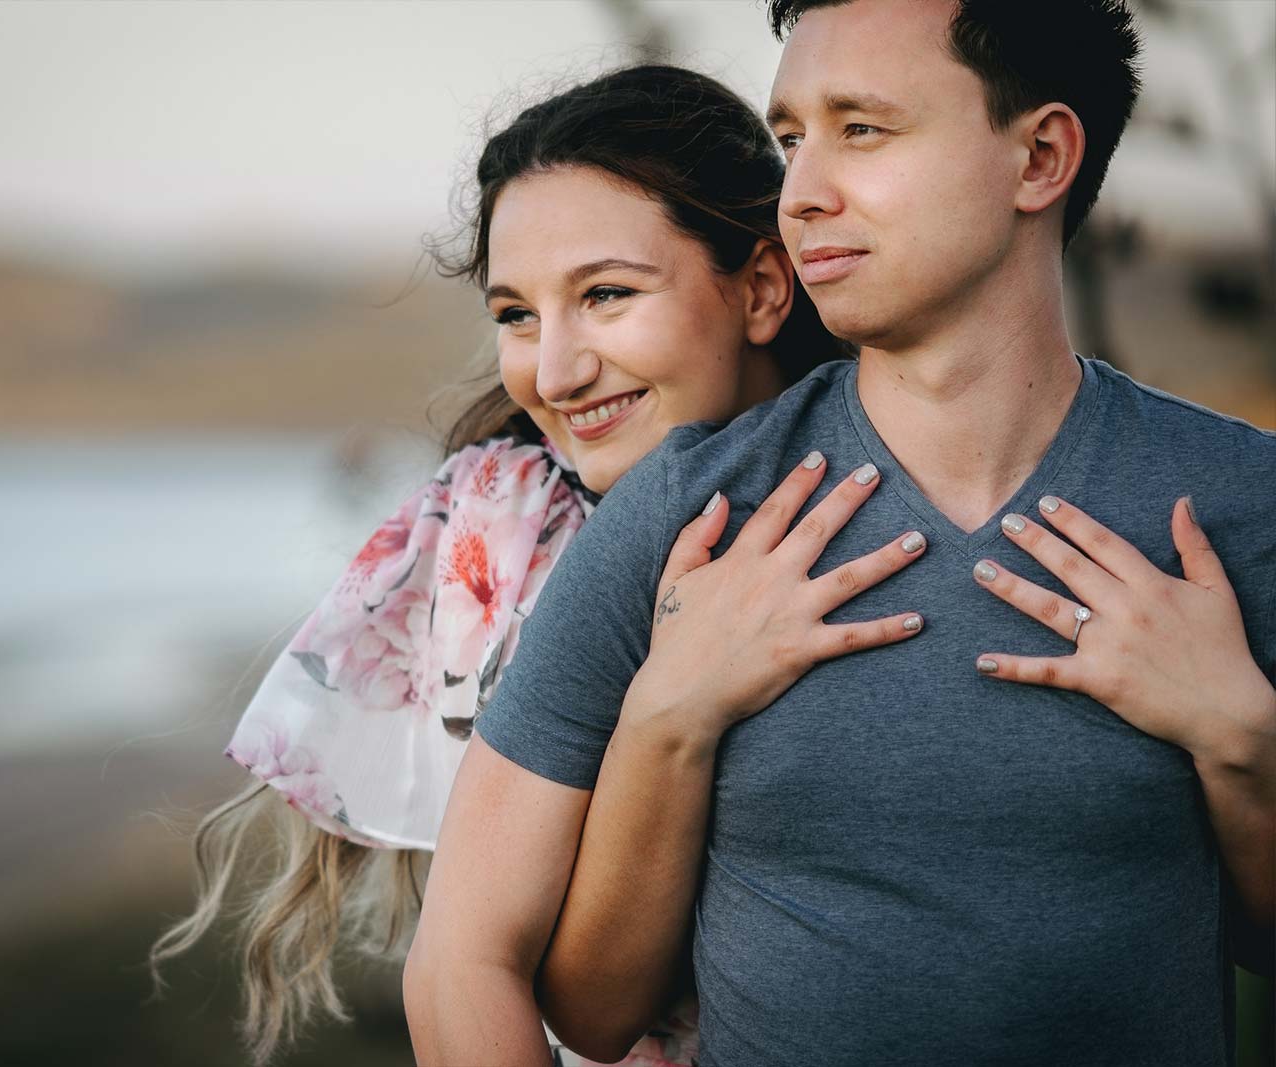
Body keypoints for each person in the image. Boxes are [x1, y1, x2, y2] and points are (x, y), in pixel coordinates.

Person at [407, 2, 1276, 1065]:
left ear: (1039, 156)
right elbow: (536, 989)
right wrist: (669, 712)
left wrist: (1243, 741)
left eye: (860, 129)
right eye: (789, 139)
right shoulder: (684, 520)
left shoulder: (1240, 506)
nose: (801, 193)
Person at [149, 64, 926, 1066]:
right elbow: (511, 976)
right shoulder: (517, 548)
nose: (552, 372)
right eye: (516, 315)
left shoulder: (914, 492)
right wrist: (670, 707)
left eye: (604, 294)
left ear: (764, 287)